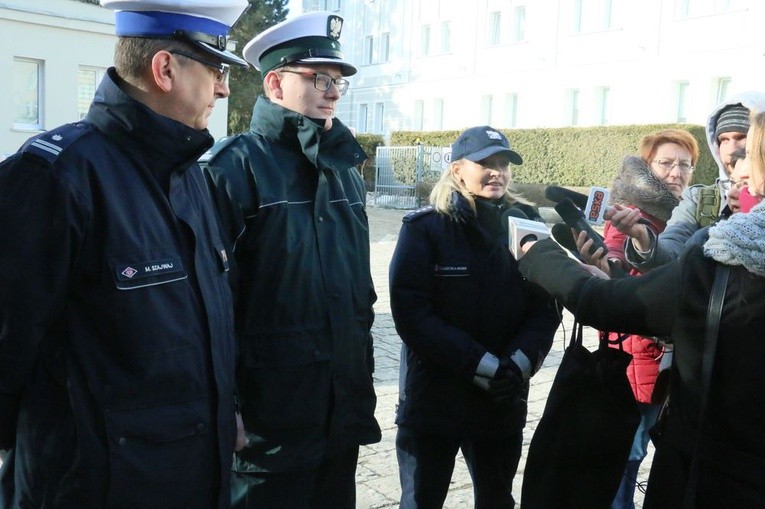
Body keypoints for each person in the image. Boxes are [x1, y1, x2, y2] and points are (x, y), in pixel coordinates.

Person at [0, 1, 248, 507]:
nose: (223, 88)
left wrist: (227, 411)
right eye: (216, 69)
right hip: (95, 488)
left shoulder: (190, 175)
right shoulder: (56, 176)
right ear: (165, 69)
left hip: (195, 479)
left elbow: (204, 321)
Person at [518, 110, 765, 508]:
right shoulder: (697, 222)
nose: (737, 168)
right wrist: (621, 263)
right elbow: (665, 268)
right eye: (666, 162)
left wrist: (540, 255)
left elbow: (616, 303)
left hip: (714, 474)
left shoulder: (722, 255)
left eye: (748, 156)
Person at [201, 11, 381, 509]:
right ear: (275, 83)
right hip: (266, 430)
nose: (333, 90)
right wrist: (227, 407)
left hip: (338, 417)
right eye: (319, 77)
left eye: (339, 80)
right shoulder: (231, 169)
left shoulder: (344, 170)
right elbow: (210, 305)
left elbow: (357, 292)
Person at [389, 126, 561, 508]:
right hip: (436, 396)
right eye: (485, 163)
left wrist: (516, 365)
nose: (496, 171)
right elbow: (412, 313)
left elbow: (545, 306)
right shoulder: (426, 229)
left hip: (502, 397)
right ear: (457, 170)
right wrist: (479, 364)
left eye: (503, 163)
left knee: (497, 499)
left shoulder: (528, 224)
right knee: (422, 500)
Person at [576, 130, 699, 509]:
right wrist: (606, 265)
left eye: (684, 164)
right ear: (647, 167)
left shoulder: (681, 214)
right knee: (627, 453)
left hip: (663, 360)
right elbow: (615, 256)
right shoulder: (634, 213)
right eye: (665, 163)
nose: (676, 172)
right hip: (640, 359)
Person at [616, 92, 765, 271]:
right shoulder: (700, 198)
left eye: (742, 137)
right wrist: (643, 239)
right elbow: (671, 250)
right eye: (723, 140)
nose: (732, 148)